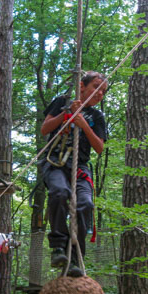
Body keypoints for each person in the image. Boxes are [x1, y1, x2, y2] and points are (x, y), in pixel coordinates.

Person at [40, 71, 108, 277]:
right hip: (56, 161)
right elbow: (45, 129)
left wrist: (83, 125)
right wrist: (66, 114)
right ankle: (59, 246)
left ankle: (76, 254)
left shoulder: (97, 116)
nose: (99, 94)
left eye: (103, 91)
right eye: (96, 87)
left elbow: (99, 147)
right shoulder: (62, 101)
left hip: (80, 167)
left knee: (85, 204)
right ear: (82, 85)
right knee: (59, 192)